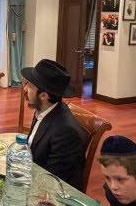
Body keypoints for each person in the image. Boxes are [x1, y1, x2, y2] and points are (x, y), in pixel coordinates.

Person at [20, 59, 88, 190]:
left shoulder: (66, 132)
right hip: (33, 176)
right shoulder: (44, 110)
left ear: (43, 96)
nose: (25, 89)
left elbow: (52, 180)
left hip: (52, 192)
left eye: (29, 86)